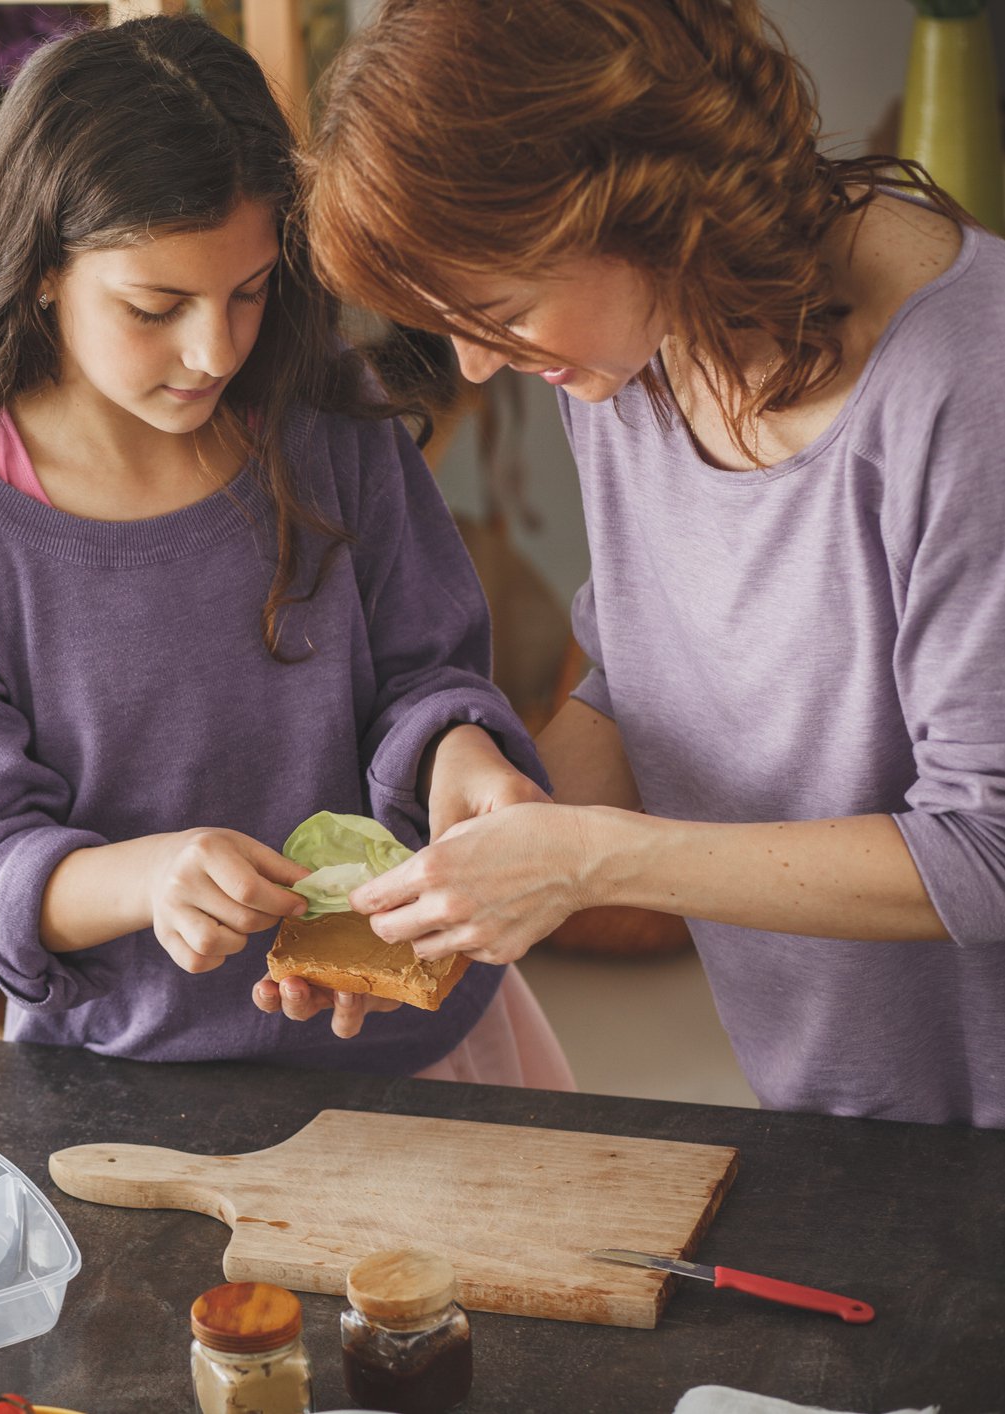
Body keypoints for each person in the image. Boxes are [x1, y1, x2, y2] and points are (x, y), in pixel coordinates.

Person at [0, 14, 573, 1086]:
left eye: (251, 291)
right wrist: (150, 879)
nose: (215, 348)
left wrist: (466, 758)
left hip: (415, 1044)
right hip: (130, 1077)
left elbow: (425, 677)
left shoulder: (328, 423)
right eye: (156, 306)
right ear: (41, 271)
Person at [302, 0, 1005, 1124]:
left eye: (500, 310)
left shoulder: (970, 385)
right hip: (829, 1113)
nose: (479, 370)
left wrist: (590, 864)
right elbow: (648, 677)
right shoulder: (635, 357)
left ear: (632, 202)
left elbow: (989, 848)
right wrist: (437, 893)